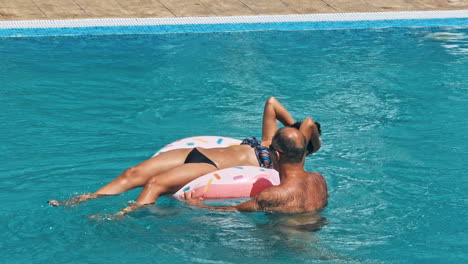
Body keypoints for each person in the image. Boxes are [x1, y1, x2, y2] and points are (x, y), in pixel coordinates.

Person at [48, 97, 322, 215]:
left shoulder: (286, 160)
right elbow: (272, 102)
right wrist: (292, 128)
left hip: (208, 166)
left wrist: (305, 136)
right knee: (132, 173)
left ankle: (122, 215)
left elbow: (309, 122)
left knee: (154, 184)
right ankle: (83, 200)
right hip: (196, 151)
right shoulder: (269, 141)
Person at [184, 127, 328, 213]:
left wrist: (197, 205)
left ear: (276, 155)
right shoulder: (320, 180)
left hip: (285, 245)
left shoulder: (274, 195)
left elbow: (232, 210)